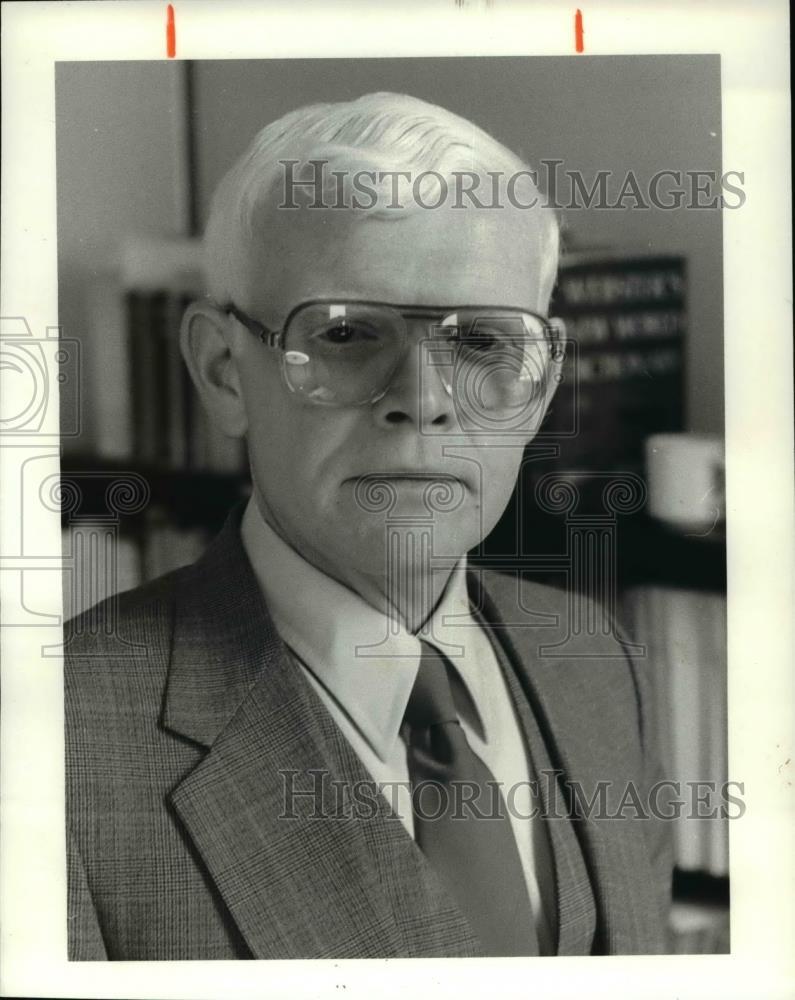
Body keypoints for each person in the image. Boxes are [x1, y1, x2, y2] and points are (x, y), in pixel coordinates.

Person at [65, 92, 673, 960]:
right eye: (347, 334)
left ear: (538, 387)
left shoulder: (597, 662)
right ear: (222, 371)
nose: (423, 402)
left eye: (482, 343)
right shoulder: (57, 745)